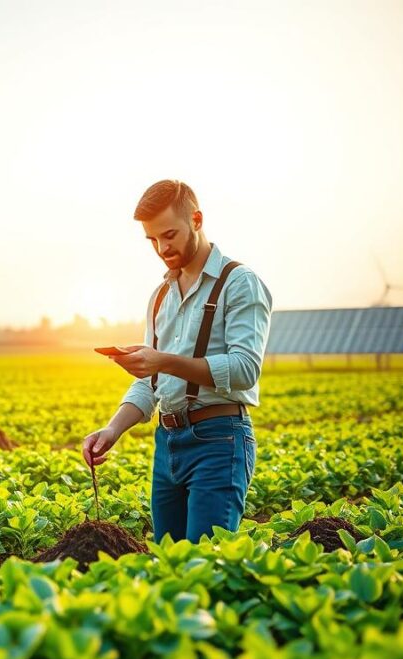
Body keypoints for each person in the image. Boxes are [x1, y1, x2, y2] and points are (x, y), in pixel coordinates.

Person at [83, 179, 273, 543]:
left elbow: (245, 370)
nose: (161, 247)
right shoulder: (160, 296)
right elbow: (150, 382)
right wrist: (111, 430)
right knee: (168, 564)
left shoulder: (238, 283)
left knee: (204, 563)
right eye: (152, 240)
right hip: (167, 443)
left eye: (169, 235)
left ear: (197, 220)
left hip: (219, 440)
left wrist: (163, 362)